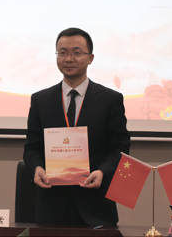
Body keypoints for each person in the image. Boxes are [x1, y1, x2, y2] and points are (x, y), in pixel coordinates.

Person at [23, 27, 130, 226]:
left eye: (77, 53)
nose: (69, 59)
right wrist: (36, 168)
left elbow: (120, 147)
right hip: (51, 206)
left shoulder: (110, 99)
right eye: (62, 53)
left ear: (91, 58)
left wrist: (103, 172)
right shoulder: (40, 100)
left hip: (96, 206)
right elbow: (31, 147)